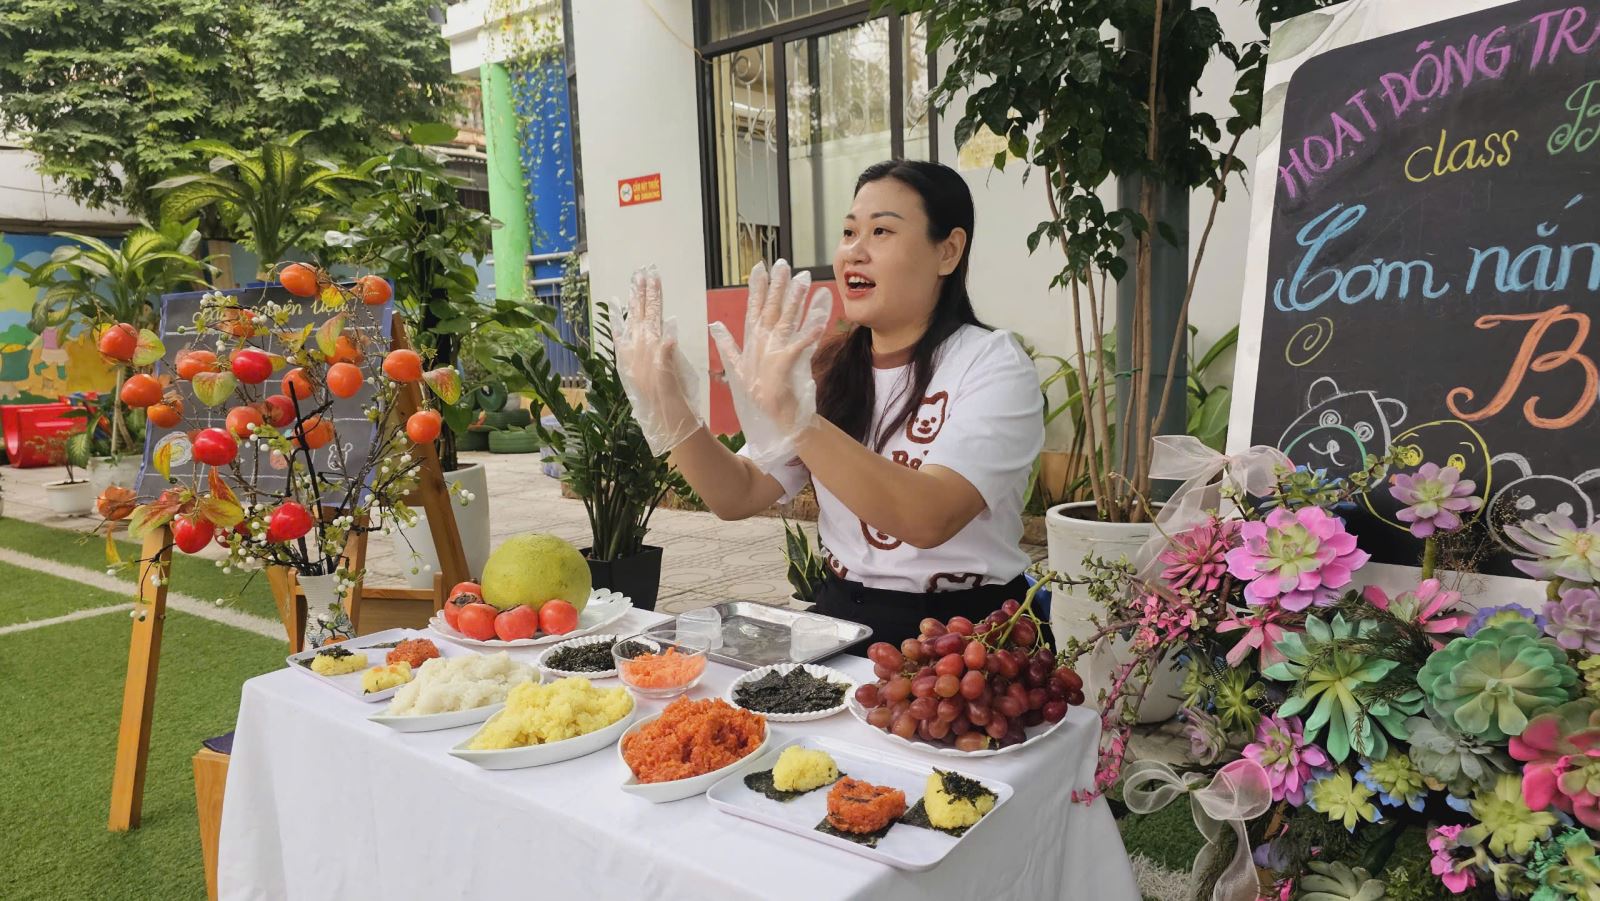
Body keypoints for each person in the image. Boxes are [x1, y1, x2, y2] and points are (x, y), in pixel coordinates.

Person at [613, 159, 1044, 651]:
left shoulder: (993, 363)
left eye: (881, 231)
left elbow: (930, 517)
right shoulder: (827, 368)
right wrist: (668, 405)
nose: (854, 252)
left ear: (947, 251)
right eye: (848, 232)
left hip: (969, 640)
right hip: (845, 623)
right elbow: (738, 494)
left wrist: (800, 421)